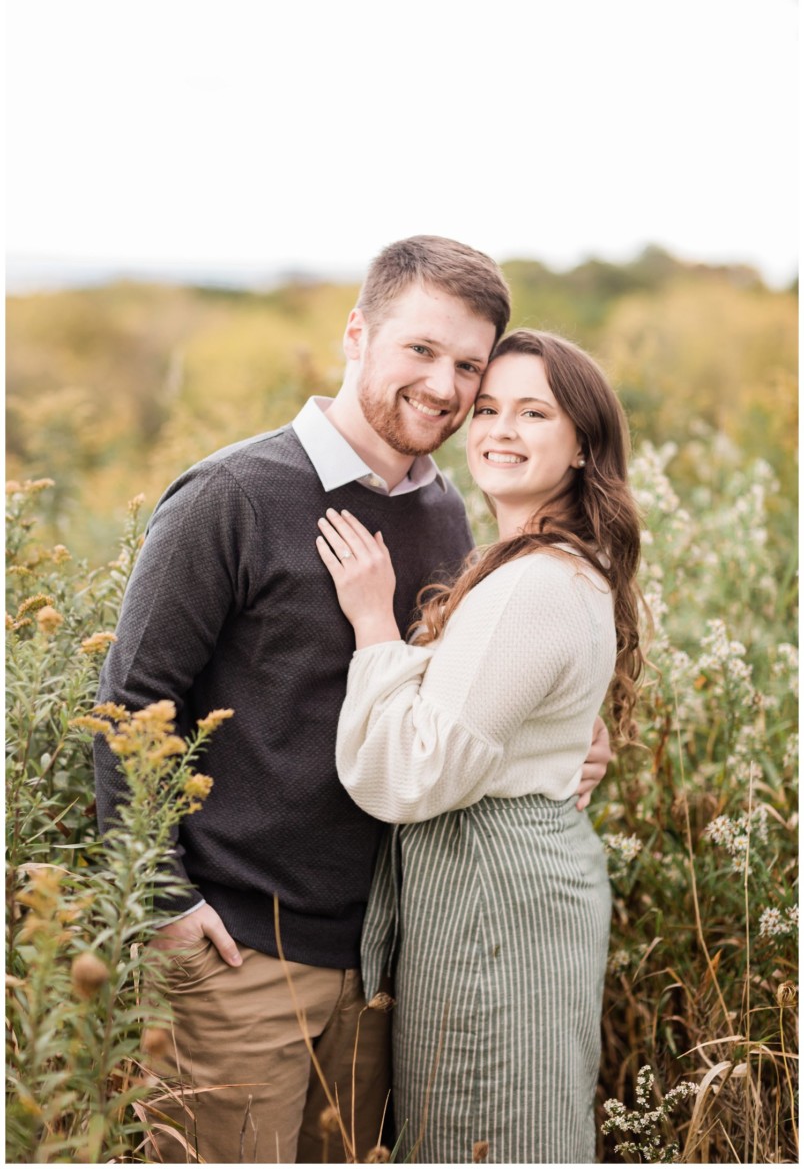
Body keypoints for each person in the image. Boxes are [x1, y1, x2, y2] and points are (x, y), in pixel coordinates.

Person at [94, 238, 611, 1164]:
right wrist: (164, 903)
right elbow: (133, 699)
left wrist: (556, 737)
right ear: (356, 333)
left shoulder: (451, 511)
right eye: (420, 350)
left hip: (382, 960)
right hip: (239, 953)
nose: (446, 388)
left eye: (467, 366)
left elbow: (453, 694)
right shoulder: (233, 495)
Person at [316, 328, 645, 1164]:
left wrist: (371, 623)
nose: (499, 428)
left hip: (494, 901)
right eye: (488, 407)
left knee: (484, 1121)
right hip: (516, 886)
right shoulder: (542, 564)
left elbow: (413, 774)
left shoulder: (533, 583)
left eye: (534, 412)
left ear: (582, 444)